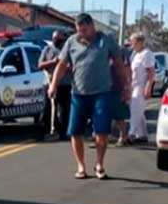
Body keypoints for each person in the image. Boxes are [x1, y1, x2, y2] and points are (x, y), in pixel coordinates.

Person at [49, 13, 128, 180]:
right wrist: (53, 85)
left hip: (102, 93)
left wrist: (125, 87)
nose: (82, 33)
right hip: (78, 94)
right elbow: (62, 65)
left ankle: (99, 164)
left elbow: (120, 64)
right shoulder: (71, 42)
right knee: (75, 132)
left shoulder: (106, 40)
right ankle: (81, 166)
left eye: (85, 30)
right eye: (79, 30)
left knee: (101, 131)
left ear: (92, 26)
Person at [38, 30, 70, 139]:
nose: (57, 41)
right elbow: (40, 65)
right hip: (49, 83)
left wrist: (66, 66)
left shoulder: (66, 51)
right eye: (55, 39)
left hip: (64, 84)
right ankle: (44, 131)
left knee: (64, 109)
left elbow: (72, 65)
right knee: (47, 108)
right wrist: (53, 61)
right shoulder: (47, 50)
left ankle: (63, 132)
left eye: (59, 39)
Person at [128, 32, 156, 142]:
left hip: (141, 85)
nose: (132, 45)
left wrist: (148, 87)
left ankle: (131, 134)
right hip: (134, 85)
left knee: (135, 110)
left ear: (140, 42)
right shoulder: (135, 54)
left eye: (133, 42)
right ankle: (142, 134)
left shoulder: (147, 54)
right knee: (138, 110)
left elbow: (151, 72)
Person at [109, 41, 132, 146]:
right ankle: (105, 136)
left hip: (117, 87)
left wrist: (126, 87)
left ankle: (123, 137)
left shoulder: (121, 52)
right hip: (106, 87)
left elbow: (127, 70)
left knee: (119, 115)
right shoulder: (105, 52)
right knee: (105, 113)